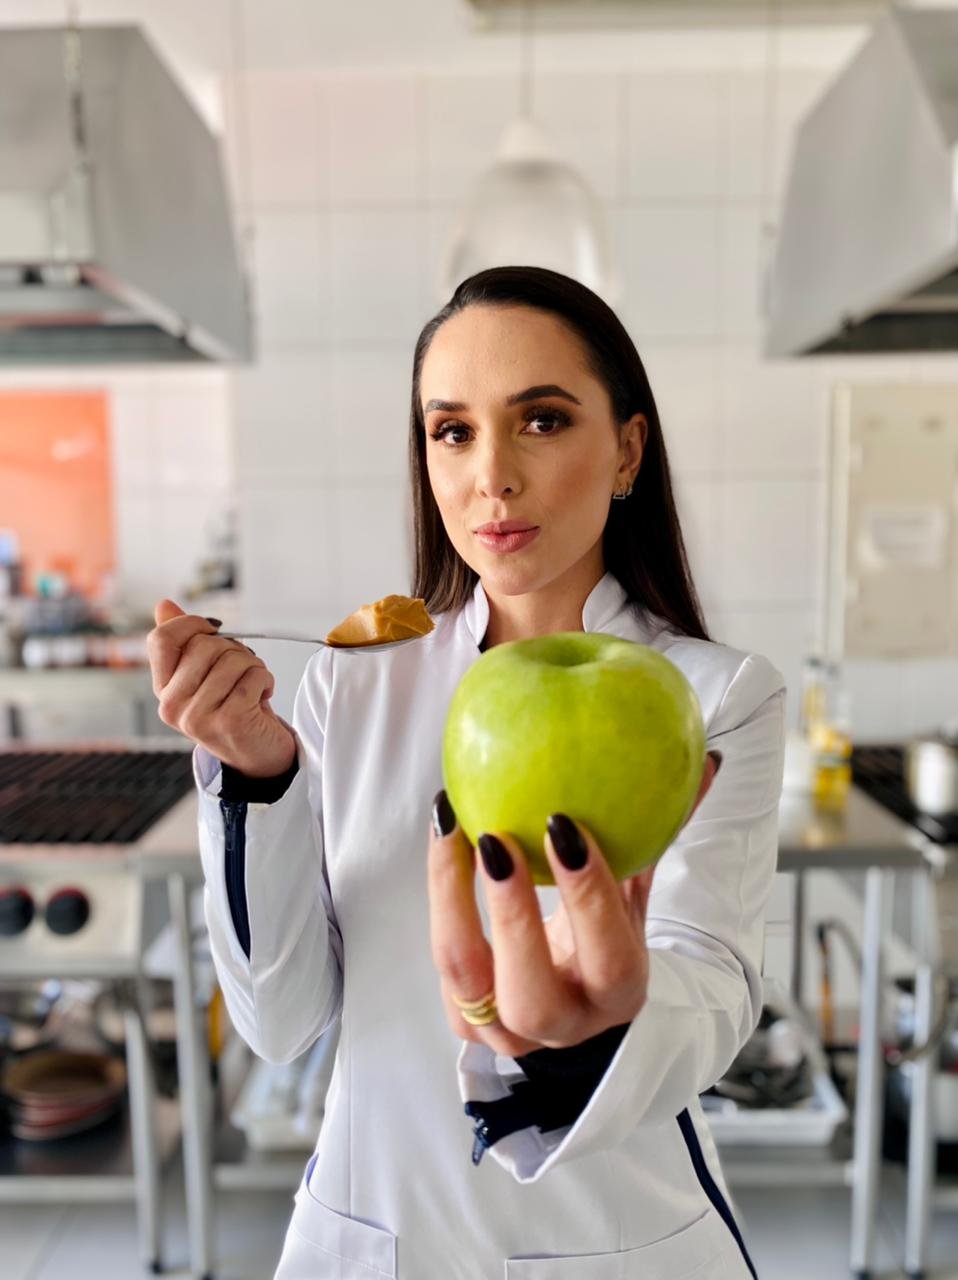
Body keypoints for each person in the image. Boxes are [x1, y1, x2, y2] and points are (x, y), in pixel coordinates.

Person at [149, 265, 786, 1279]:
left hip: (617, 1242)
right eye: (452, 430)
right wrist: (258, 778)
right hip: (374, 1236)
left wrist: (589, 1034)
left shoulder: (714, 697)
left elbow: (711, 983)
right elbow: (280, 1021)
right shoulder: (355, 681)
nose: (492, 475)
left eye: (541, 420)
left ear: (627, 449)